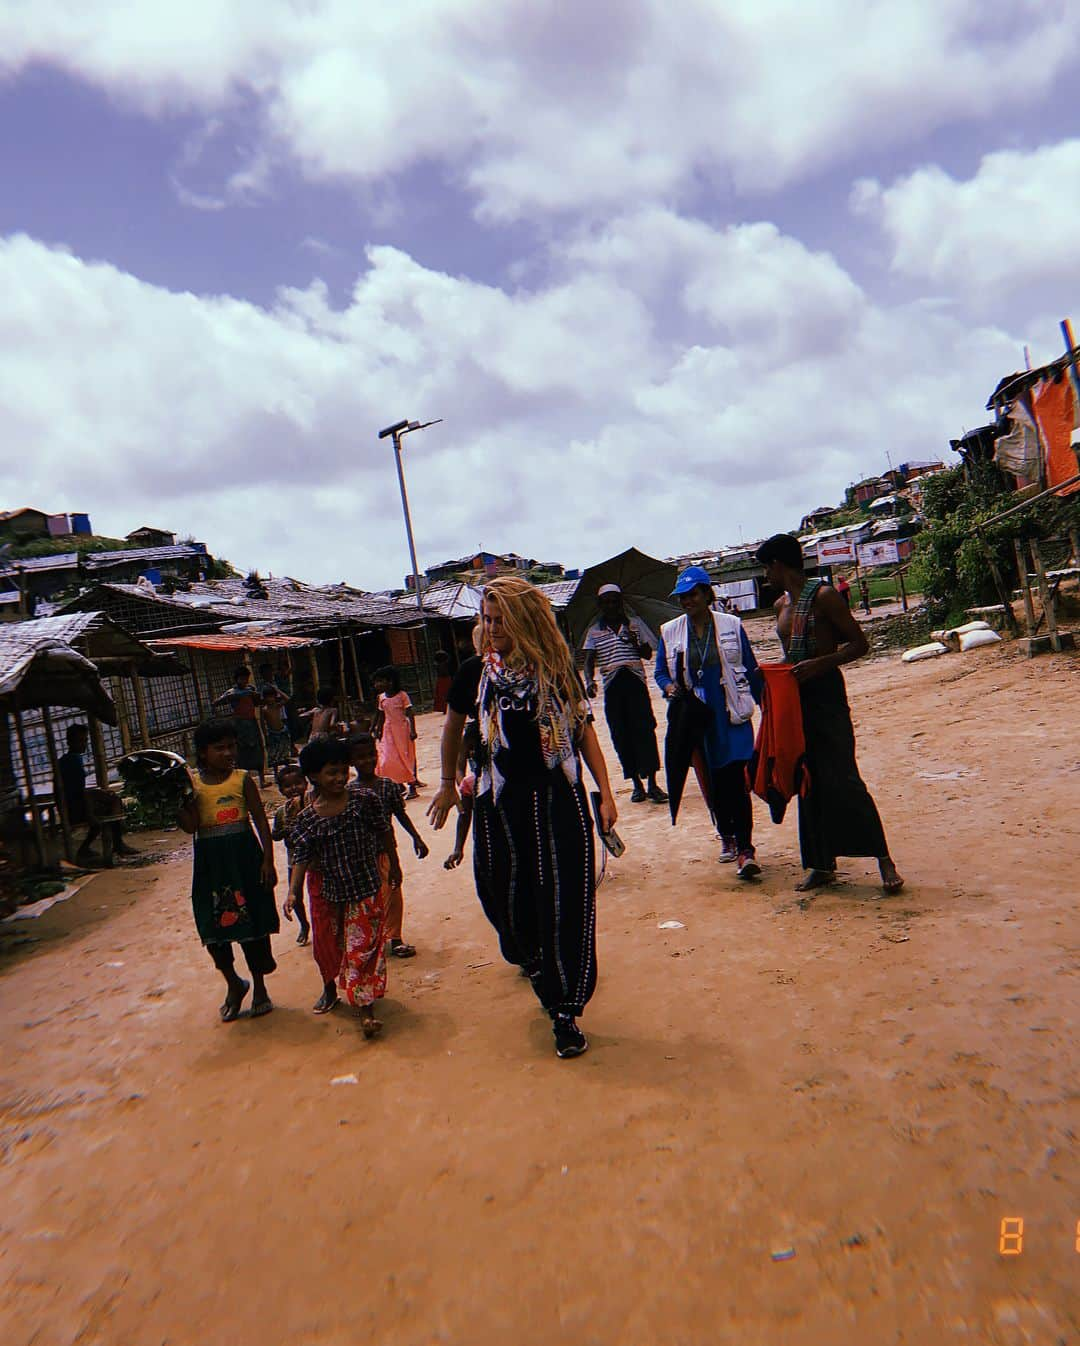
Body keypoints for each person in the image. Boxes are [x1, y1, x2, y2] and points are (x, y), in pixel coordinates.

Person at [427, 576, 617, 1060]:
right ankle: (531, 958)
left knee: (564, 901)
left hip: (559, 799)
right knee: (501, 891)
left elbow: (583, 730)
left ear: (524, 620)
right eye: (486, 620)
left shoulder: (556, 668)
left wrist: (606, 792)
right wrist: (448, 785)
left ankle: (564, 1008)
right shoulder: (474, 673)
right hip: (501, 805)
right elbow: (451, 730)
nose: (491, 629)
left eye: (501, 620)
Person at [755, 534, 903, 898]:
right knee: (807, 779)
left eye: (766, 568)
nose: (765, 576)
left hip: (826, 698)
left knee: (844, 776)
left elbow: (859, 644)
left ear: (778, 564)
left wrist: (822, 663)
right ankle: (820, 865)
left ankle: (884, 859)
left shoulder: (823, 597)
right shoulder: (779, 606)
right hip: (796, 701)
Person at [654, 566, 764, 879]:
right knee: (712, 781)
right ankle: (726, 835)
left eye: (692, 595)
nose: (687, 601)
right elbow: (661, 671)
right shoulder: (670, 631)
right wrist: (669, 687)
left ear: (707, 594)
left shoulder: (731, 625)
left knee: (735, 780)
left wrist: (765, 704)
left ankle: (745, 849)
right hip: (697, 718)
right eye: (682, 597)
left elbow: (750, 666)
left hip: (730, 711)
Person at [284, 737, 398, 1038]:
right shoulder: (308, 818)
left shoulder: (364, 801)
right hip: (332, 893)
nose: (339, 778)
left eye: (342, 770)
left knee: (363, 950)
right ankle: (332, 989)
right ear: (313, 777)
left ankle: (366, 1010)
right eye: (331, 772)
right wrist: (292, 891)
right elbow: (302, 855)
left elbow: (384, 832)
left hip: (366, 888)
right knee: (331, 948)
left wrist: (395, 865)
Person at [177, 718, 279, 1022]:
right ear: (203, 752)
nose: (228, 753)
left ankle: (260, 987)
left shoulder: (242, 779)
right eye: (219, 748)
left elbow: (261, 821)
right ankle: (234, 982)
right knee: (212, 927)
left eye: (231, 746)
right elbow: (191, 826)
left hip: (245, 859)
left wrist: (268, 860)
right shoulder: (192, 785)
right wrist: (178, 803)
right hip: (211, 866)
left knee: (253, 926)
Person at [582, 583, 668, 805]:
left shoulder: (635, 625)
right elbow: (589, 659)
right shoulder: (594, 631)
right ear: (600, 605)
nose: (611, 605)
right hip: (613, 686)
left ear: (621, 602)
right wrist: (589, 681)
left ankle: (652, 784)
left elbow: (648, 654)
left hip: (635, 683)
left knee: (645, 730)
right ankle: (637, 786)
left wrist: (634, 641)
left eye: (615, 601)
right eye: (607, 601)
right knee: (621, 734)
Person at [349, 732, 428, 958]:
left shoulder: (387, 786)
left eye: (370, 755)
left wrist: (416, 837)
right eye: (360, 757)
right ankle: (371, 941)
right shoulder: (349, 792)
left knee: (393, 893)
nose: (366, 761)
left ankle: (395, 938)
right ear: (352, 761)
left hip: (385, 851)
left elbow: (400, 814)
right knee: (367, 899)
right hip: (360, 855)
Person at [54, 724, 138, 866]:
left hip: (72, 804)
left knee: (111, 798)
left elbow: (78, 790)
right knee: (114, 802)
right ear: (70, 742)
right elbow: (78, 792)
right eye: (80, 741)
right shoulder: (72, 761)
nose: (84, 744)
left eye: (85, 740)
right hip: (74, 808)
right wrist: (90, 813)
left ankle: (111, 844)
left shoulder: (68, 759)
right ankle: (117, 844)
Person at [270, 763, 310, 945]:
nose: (294, 788)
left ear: (306, 783)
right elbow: (275, 835)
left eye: (298, 783)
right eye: (288, 786)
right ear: (281, 790)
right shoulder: (281, 812)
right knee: (296, 895)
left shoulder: (313, 804)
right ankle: (304, 924)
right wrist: (287, 829)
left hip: (317, 858)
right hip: (294, 859)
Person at [372, 666, 421, 798]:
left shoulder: (402, 696)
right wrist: (378, 730)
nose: (377, 685)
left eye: (380, 681)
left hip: (402, 731)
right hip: (389, 732)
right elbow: (381, 715)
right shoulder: (381, 698)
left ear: (390, 681)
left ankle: (412, 786)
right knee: (389, 758)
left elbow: (410, 714)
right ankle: (398, 784)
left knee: (406, 757)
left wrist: (412, 730)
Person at [213, 667, 265, 786]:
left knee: (257, 748)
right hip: (239, 724)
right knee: (241, 750)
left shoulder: (250, 689)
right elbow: (216, 703)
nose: (245, 681)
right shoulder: (231, 692)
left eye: (246, 678)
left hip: (251, 722)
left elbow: (258, 703)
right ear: (237, 679)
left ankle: (262, 780)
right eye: (242, 678)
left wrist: (255, 696)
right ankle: (242, 780)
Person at [256, 663, 294, 768]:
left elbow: (287, 698)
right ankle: (277, 772)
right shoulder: (264, 709)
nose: (270, 699)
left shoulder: (277, 704)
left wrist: (276, 689)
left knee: (285, 751)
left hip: (282, 727)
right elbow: (263, 724)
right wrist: (265, 734)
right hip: (273, 732)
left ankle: (287, 767)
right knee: (274, 755)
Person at [433, 649, 453, 714]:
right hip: (446, 679)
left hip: (441, 680)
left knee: (442, 695)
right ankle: (447, 708)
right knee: (446, 694)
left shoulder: (437, 665)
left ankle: (444, 708)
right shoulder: (445, 664)